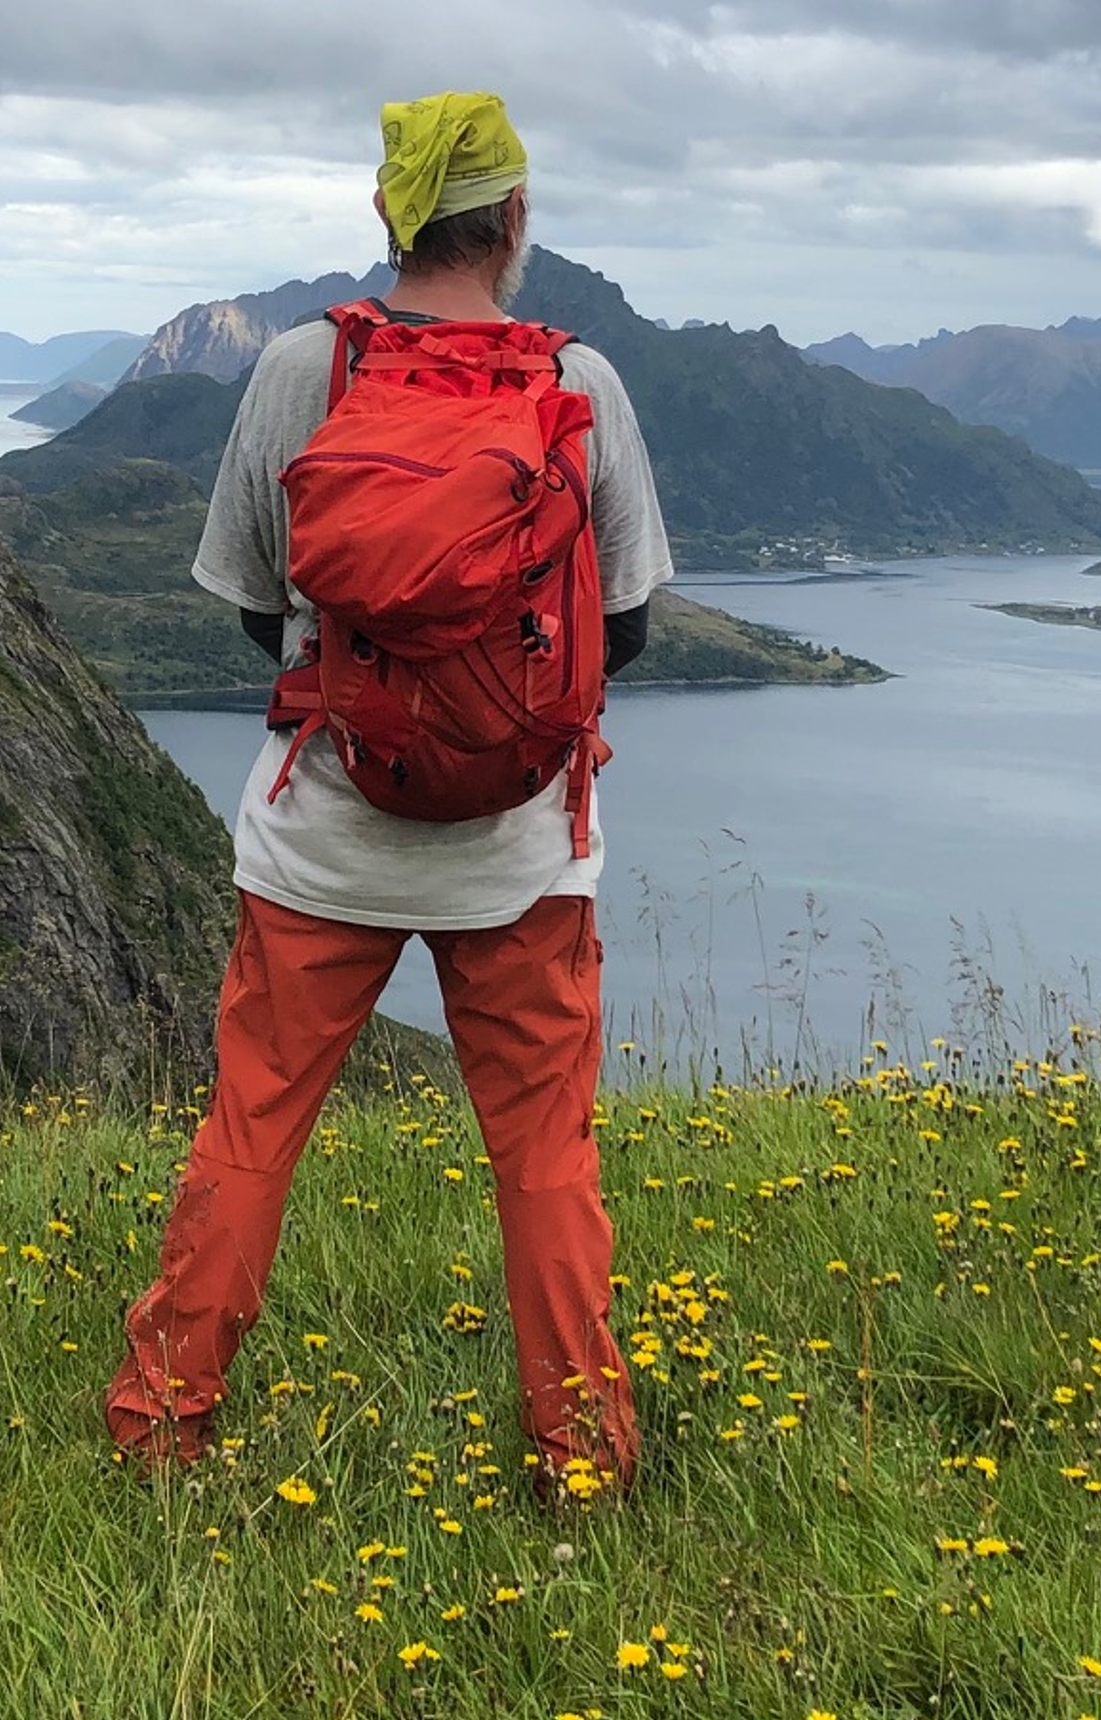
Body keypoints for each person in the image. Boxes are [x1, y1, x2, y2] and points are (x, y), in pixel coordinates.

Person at [105, 94, 673, 1495]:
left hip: (325, 833)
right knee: (543, 1160)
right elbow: (633, 624)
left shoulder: (305, 367)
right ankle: (580, 1458)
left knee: (252, 1133)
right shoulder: (580, 387)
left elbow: (252, 602)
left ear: (389, 218)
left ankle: (162, 1428)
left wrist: (373, 688)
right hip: (521, 854)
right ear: (516, 224)